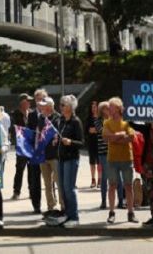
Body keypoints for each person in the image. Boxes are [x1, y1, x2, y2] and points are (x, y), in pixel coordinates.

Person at [102, 96, 138, 224]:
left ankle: (131, 212)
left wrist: (114, 138)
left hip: (126, 158)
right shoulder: (106, 122)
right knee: (112, 186)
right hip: (112, 159)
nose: (108, 109)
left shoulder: (127, 121)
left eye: (110, 107)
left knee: (128, 186)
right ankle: (111, 212)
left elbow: (131, 137)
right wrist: (119, 135)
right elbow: (106, 137)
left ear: (117, 108)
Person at [50, 95, 84, 228]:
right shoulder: (62, 121)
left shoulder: (76, 122)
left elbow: (81, 143)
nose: (61, 107)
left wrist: (70, 142)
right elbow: (58, 136)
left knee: (69, 188)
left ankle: (74, 217)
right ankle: (68, 215)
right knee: (63, 189)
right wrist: (56, 141)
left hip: (71, 158)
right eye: (61, 105)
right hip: (61, 158)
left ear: (70, 107)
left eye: (63, 105)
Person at [37, 96, 63, 218]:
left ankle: (63, 207)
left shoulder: (58, 118)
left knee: (59, 182)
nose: (41, 107)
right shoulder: (40, 118)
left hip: (55, 156)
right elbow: (39, 134)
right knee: (47, 184)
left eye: (43, 105)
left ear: (50, 106)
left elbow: (58, 134)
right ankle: (50, 207)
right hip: (43, 155)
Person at [26, 88, 46, 214]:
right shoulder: (32, 115)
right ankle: (36, 205)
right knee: (34, 180)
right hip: (34, 152)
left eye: (42, 99)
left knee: (50, 180)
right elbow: (28, 133)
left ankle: (52, 205)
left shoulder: (49, 113)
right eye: (37, 100)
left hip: (47, 153)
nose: (39, 102)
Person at [11, 93, 32, 200]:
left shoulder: (32, 113)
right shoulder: (14, 114)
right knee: (19, 169)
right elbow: (13, 129)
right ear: (22, 102)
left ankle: (31, 191)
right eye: (27, 101)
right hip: (21, 146)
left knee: (32, 170)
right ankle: (16, 191)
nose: (29, 103)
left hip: (32, 146)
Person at [96, 101, 110, 209]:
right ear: (101, 110)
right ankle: (104, 201)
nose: (109, 110)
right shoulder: (98, 121)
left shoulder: (114, 119)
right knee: (104, 178)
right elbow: (102, 131)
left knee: (118, 179)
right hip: (103, 152)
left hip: (114, 151)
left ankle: (120, 201)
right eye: (106, 108)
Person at [86, 101, 101, 188]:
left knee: (99, 162)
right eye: (92, 107)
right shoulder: (89, 118)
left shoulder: (101, 118)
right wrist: (93, 130)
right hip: (91, 142)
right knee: (92, 162)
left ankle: (100, 179)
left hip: (100, 142)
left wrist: (94, 130)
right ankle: (93, 179)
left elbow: (101, 130)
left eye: (95, 107)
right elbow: (87, 130)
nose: (93, 109)